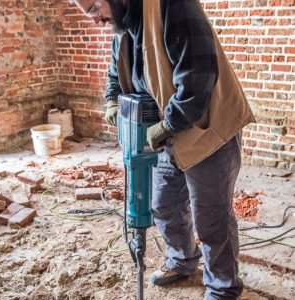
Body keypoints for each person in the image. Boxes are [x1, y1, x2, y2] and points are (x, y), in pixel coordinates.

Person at [71, 0, 256, 299]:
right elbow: (116, 72)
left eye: (93, 9)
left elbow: (198, 80)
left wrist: (166, 126)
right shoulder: (124, 22)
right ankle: (183, 260)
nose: (95, 20)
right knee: (165, 204)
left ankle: (223, 287)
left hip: (207, 129)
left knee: (211, 218)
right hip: (166, 132)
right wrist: (112, 100)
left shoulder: (171, 5)